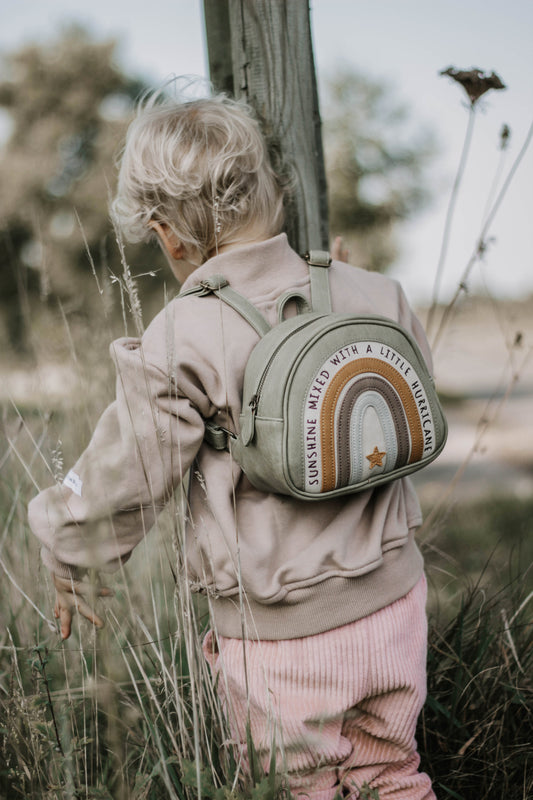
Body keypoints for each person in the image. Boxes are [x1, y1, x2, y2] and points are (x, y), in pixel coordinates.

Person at [28, 91, 436, 800]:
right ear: (272, 190)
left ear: (167, 235)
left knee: (295, 788)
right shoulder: (375, 292)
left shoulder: (184, 335)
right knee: (391, 775)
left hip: (282, 639)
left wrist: (68, 542)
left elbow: (129, 471)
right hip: (395, 606)